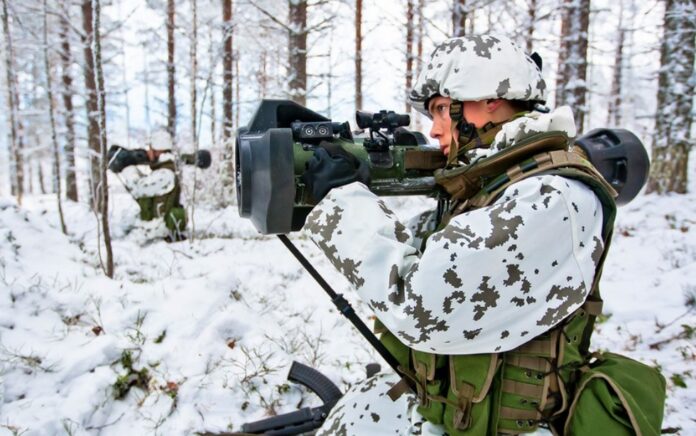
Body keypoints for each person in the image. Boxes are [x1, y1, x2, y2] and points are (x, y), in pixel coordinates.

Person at [301, 34, 663, 435]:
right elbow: (436, 250)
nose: (436, 131)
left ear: (489, 99)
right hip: (454, 412)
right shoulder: (501, 184)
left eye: (441, 110)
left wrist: (344, 202)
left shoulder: (551, 197)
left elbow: (420, 305)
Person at [116, 133, 187, 242]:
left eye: (150, 149)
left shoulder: (165, 173)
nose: (148, 152)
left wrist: (126, 167)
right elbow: (147, 185)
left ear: (158, 151)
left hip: (157, 232)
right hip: (154, 231)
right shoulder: (161, 171)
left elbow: (138, 189)